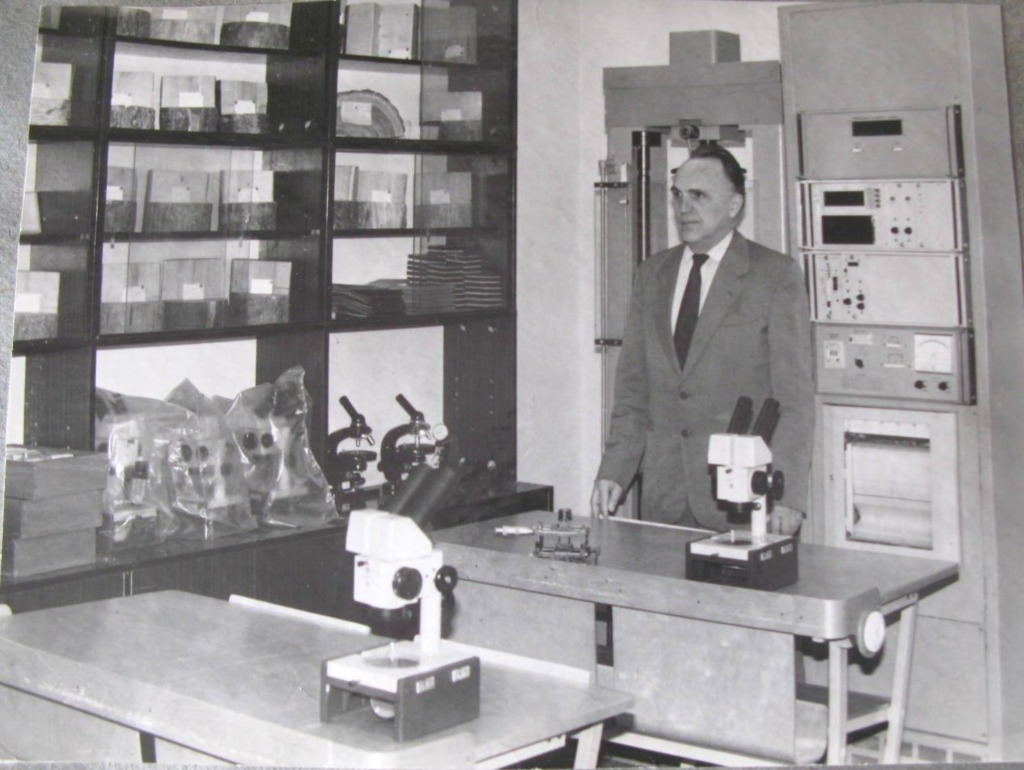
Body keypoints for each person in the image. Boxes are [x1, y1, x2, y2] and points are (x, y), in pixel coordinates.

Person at [590, 143, 813, 534]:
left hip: (742, 497)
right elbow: (632, 392)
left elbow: (793, 399)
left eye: (699, 196)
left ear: (734, 205)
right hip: (664, 498)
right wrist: (614, 470)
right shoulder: (652, 275)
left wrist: (788, 494)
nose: (684, 208)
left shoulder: (774, 276)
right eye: (678, 196)